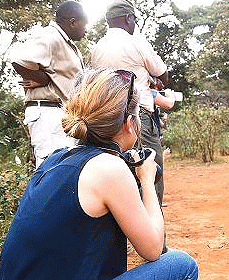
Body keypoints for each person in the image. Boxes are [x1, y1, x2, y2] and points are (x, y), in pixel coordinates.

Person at [0, 68, 198, 279]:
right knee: (182, 264)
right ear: (130, 124)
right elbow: (152, 249)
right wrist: (147, 180)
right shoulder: (109, 168)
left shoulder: (54, 158)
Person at [91, 0, 176, 205]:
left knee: (120, 177)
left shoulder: (97, 48)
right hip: (138, 119)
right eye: (134, 20)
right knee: (150, 175)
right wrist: (152, 80)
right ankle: (152, 235)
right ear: (129, 18)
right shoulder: (136, 43)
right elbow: (162, 75)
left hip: (109, 120)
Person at [11, 1, 87, 167]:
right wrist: (43, 78)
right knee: (51, 171)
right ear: (72, 22)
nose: (86, 29)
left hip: (61, 114)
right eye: (84, 24)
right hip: (48, 113)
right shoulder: (50, 36)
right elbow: (19, 61)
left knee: (63, 172)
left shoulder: (66, 42)